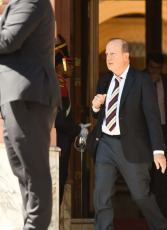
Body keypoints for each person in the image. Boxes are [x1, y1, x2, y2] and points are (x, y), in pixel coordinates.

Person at [90, 38, 167, 230]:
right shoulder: (104, 80)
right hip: (106, 144)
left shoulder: (142, 81)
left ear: (126, 56)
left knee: (141, 195)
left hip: (133, 145)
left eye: (113, 54)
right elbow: (96, 115)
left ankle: (160, 227)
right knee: (101, 194)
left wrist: (158, 150)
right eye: (107, 54)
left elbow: (152, 117)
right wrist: (95, 106)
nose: (108, 57)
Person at [0, 0, 60, 229]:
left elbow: (8, 40)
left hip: (28, 97)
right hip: (14, 97)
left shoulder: (31, 1)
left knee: (34, 172)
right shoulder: (17, 4)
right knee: (22, 170)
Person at [54, 37, 88, 206]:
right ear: (60, 65)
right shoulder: (59, 85)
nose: (72, 67)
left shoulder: (59, 84)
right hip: (59, 143)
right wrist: (77, 130)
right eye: (69, 62)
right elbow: (60, 121)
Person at [145, 51, 167, 217]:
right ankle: (145, 216)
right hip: (144, 134)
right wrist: (150, 84)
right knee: (145, 176)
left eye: (158, 68)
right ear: (147, 67)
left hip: (163, 132)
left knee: (162, 176)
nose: (155, 72)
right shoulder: (139, 81)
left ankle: (161, 215)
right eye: (151, 68)